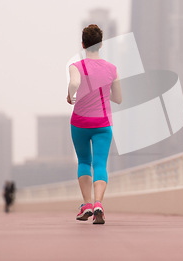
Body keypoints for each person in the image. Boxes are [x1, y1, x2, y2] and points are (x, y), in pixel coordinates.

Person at [67, 24, 122, 225]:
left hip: (80, 122)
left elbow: (74, 83)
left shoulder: (76, 66)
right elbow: (119, 98)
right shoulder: (111, 69)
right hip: (103, 123)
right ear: (100, 44)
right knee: (100, 163)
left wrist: (70, 94)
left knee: (84, 162)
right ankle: (99, 203)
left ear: (83, 44)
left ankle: (87, 204)